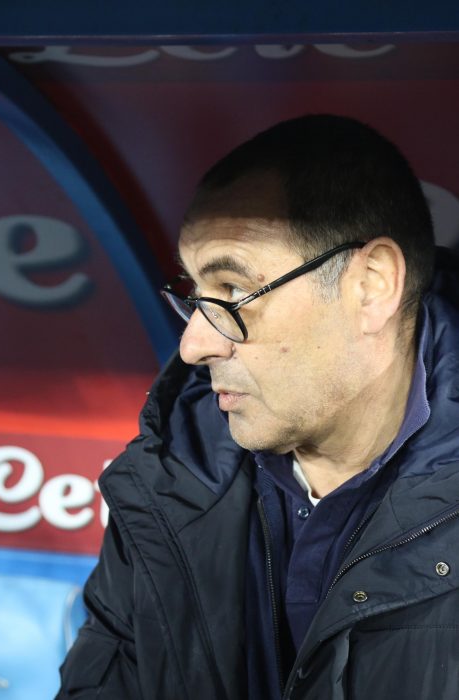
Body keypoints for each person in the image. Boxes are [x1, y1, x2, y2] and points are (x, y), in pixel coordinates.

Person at [56, 115, 459, 700]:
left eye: (234, 291)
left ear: (372, 285)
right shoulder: (165, 479)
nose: (194, 345)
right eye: (195, 295)